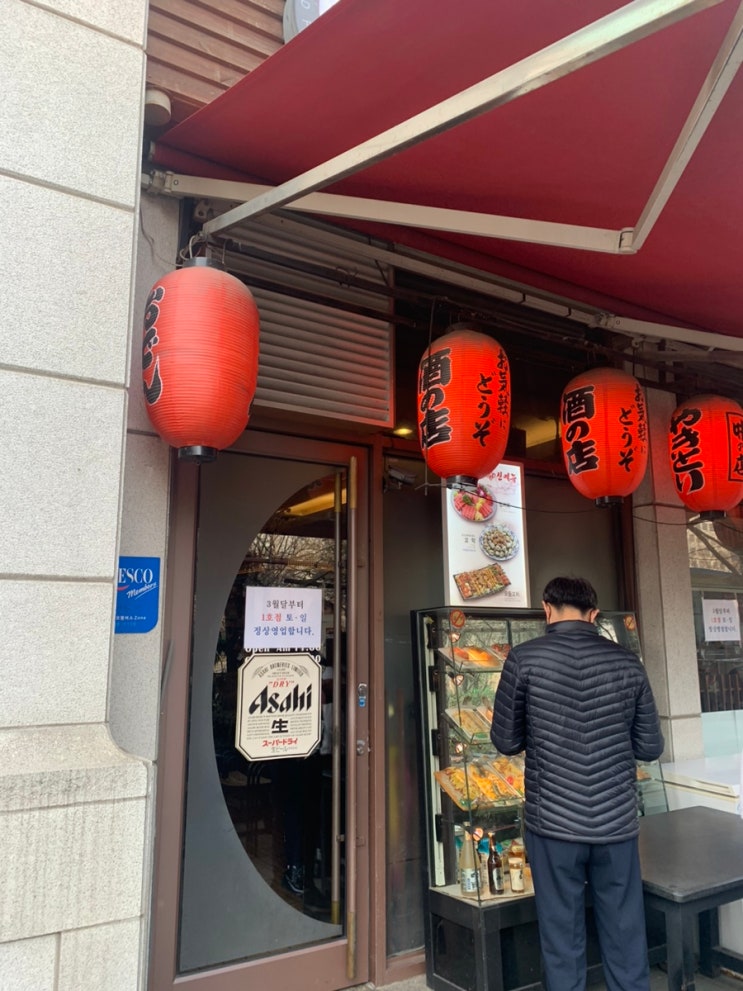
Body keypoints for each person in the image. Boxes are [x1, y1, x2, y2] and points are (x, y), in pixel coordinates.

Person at [491, 576, 664, 991]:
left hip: (553, 826)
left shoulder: (524, 659)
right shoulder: (627, 662)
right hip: (616, 825)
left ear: (546, 609)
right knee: (625, 932)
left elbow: (506, 741)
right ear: (595, 614)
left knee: (561, 936)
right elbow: (650, 746)